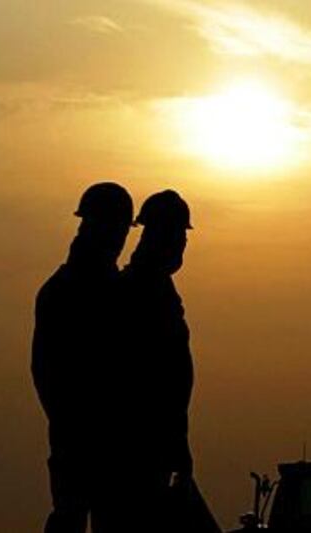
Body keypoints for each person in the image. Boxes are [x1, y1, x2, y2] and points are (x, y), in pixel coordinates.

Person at [31, 182, 134, 533]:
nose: (120, 238)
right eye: (116, 228)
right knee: (75, 516)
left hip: (100, 441)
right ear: (93, 227)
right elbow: (46, 371)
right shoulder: (70, 291)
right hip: (85, 440)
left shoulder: (111, 290)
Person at [120, 190, 218, 531]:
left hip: (155, 446)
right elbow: (156, 379)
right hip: (142, 450)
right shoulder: (143, 291)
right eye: (177, 236)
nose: (181, 245)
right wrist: (174, 443)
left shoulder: (151, 286)